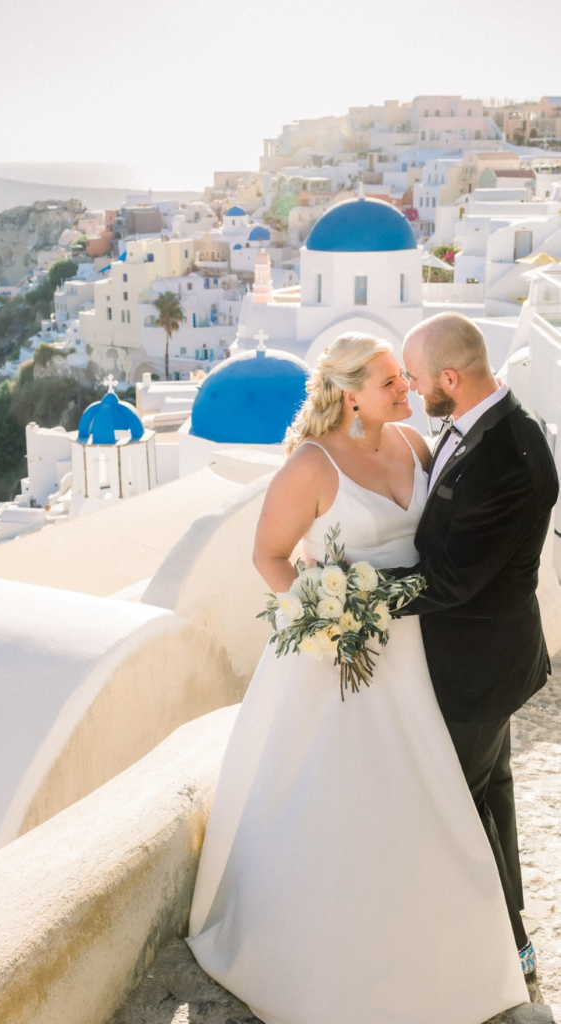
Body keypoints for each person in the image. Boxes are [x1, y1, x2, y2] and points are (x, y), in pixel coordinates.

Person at [186, 331, 528, 1024]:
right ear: (349, 396)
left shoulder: (413, 445)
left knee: (430, 799)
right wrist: (323, 621)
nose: (406, 391)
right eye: (389, 384)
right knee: (341, 805)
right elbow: (271, 557)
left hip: (418, 654)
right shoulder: (311, 466)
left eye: (405, 380)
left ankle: (454, 944)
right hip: (339, 657)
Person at [398, 311, 559, 979]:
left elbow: (455, 580)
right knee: (490, 794)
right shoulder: (480, 424)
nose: (410, 390)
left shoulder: (509, 455)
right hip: (486, 662)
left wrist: (357, 593)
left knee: (461, 806)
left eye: (414, 378)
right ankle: (510, 937)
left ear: (450, 378)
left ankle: (504, 949)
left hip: (477, 669)